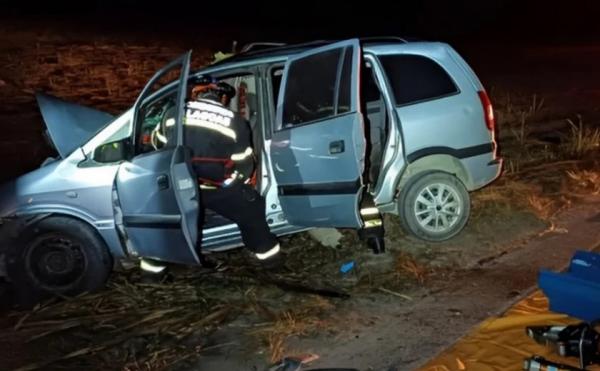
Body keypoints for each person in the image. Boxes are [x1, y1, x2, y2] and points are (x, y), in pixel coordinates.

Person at [186, 76, 281, 266]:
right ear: (223, 98)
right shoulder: (235, 121)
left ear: (197, 93)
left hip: (182, 185)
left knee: (168, 222)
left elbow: (158, 146)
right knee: (252, 212)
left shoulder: (174, 114)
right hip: (217, 187)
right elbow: (244, 164)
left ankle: (154, 270)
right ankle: (269, 260)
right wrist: (237, 184)